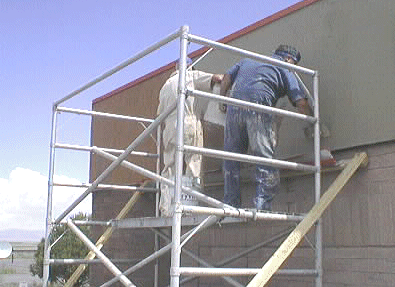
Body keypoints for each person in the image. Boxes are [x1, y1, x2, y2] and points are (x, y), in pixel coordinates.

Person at [219, 45, 312, 211]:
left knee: (231, 157)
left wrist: (222, 100)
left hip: (234, 107)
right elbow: (301, 102)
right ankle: (262, 205)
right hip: (258, 107)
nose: (294, 69)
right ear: (289, 59)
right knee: (263, 157)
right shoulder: (285, 67)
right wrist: (313, 124)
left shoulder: (248, 60)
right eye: (294, 65)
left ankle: (230, 204)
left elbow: (226, 77)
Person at [157, 58, 223, 215]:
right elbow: (217, 78)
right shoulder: (190, 76)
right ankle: (190, 206)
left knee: (170, 167)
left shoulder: (165, 86)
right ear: (190, 67)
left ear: (175, 67)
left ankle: (167, 207)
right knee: (193, 163)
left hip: (169, 127)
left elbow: (159, 115)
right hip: (188, 122)